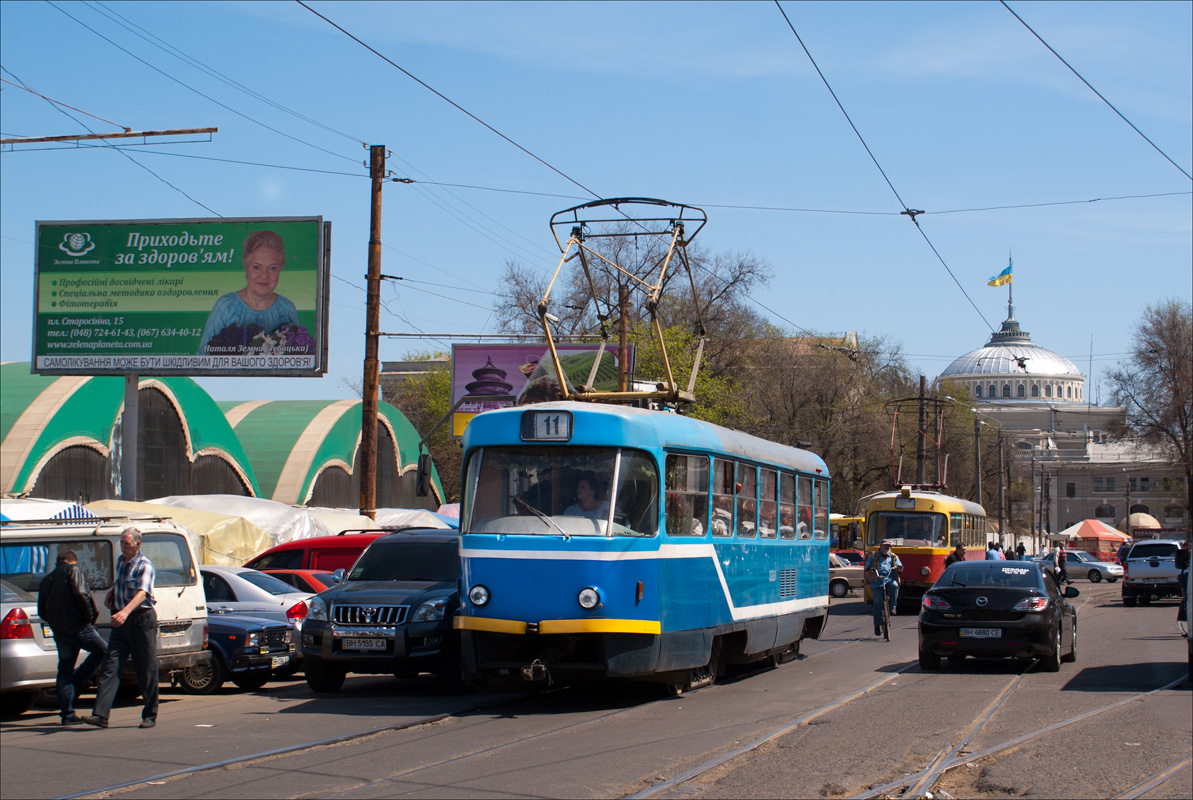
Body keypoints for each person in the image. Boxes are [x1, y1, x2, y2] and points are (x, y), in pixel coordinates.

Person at [83, 528, 159, 729]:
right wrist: (112, 593)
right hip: (120, 621)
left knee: (146, 668)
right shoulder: (120, 561)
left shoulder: (145, 565)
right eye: (122, 543)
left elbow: (143, 593)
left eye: (127, 543)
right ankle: (100, 715)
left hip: (141, 620)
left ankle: (150, 714)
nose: (123, 547)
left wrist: (125, 611)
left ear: (137, 545)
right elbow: (120, 583)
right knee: (110, 666)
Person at [197, 230, 300, 354]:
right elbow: (203, 357)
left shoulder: (286, 308)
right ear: (246, 267)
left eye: (272, 268)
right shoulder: (226, 306)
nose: (264, 275)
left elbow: (297, 357)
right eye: (256, 267)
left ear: (281, 269)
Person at [37, 550, 106, 726]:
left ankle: (67, 715)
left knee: (64, 670)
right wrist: (89, 619)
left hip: (60, 631)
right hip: (78, 627)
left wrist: (56, 623)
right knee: (104, 650)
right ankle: (79, 680)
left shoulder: (46, 580)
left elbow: (42, 611)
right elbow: (82, 594)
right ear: (73, 562)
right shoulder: (73, 571)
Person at [866, 540, 903, 636]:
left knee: (895, 586)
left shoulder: (894, 557)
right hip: (877, 581)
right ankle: (877, 625)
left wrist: (899, 568)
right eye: (885, 546)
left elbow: (899, 566)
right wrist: (869, 569)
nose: (887, 548)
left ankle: (892, 607)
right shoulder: (874, 556)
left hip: (889, 579)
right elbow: (868, 566)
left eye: (888, 546)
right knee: (877, 602)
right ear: (881, 546)